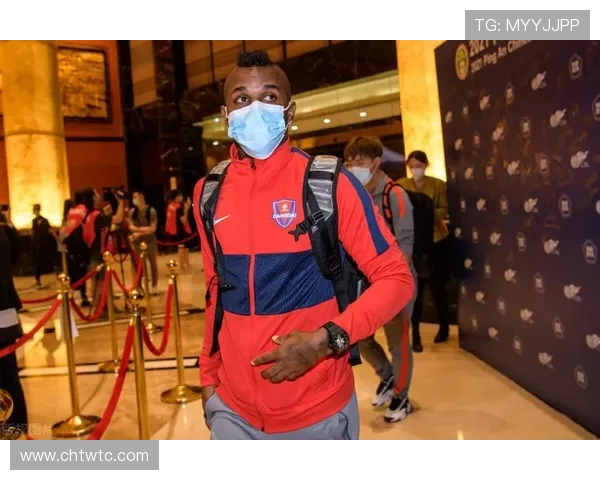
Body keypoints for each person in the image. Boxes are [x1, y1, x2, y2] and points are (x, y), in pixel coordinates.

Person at [193, 50, 414, 440]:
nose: (255, 108)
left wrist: (326, 340)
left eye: (269, 97)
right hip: (232, 409)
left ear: (289, 111)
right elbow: (215, 291)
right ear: (226, 115)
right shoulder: (208, 193)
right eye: (242, 98)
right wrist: (209, 376)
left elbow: (397, 279)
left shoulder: (329, 185)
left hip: (317, 409)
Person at [343, 136, 416, 423]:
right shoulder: (353, 195)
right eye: (349, 162)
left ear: (375, 162)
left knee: (398, 342)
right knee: (360, 337)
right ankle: (387, 376)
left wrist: (392, 292)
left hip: (396, 283)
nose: (353, 167)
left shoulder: (394, 194)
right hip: (365, 284)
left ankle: (401, 395)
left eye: (359, 162)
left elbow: (406, 249)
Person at [398, 150, 450, 347]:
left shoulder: (438, 185)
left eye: (418, 166)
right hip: (412, 242)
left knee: (438, 288)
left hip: (436, 239)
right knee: (415, 292)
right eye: (411, 166)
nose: (415, 169)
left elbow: (443, 209)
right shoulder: (401, 185)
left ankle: (444, 328)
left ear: (426, 165)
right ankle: (416, 336)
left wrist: (424, 214)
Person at [0, 219, 28, 434]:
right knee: (9, 375)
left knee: (7, 377)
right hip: (5, 311)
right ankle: (16, 428)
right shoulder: (3, 232)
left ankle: (14, 430)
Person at [83, 188, 125, 316]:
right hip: (100, 254)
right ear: (93, 198)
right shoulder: (98, 216)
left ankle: (103, 307)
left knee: (97, 283)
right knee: (100, 283)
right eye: (96, 194)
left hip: (91, 252)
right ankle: (96, 310)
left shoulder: (88, 215)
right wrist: (121, 202)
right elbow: (118, 218)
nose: (98, 196)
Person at [128, 189, 159, 294]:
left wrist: (138, 232)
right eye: (133, 197)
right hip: (137, 242)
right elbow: (131, 227)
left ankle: (154, 285)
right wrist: (143, 230)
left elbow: (152, 228)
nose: (134, 199)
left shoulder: (151, 211)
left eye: (136, 197)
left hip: (150, 241)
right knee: (138, 266)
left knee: (153, 264)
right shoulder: (132, 212)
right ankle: (138, 286)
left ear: (142, 197)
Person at [165, 190, 192, 271]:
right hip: (180, 230)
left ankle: (186, 263)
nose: (182, 197)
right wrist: (186, 209)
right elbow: (184, 221)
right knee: (182, 248)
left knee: (185, 248)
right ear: (176, 197)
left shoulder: (170, 206)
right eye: (180, 196)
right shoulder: (178, 207)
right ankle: (182, 265)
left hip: (174, 230)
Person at [31, 204, 54, 288]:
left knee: (46, 260)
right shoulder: (34, 221)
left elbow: (50, 230)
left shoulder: (45, 220)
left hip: (44, 244)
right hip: (37, 244)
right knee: (37, 262)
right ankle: (38, 279)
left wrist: (57, 239)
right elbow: (33, 232)